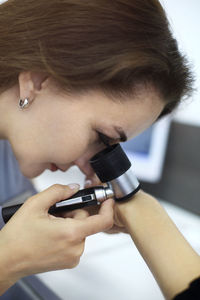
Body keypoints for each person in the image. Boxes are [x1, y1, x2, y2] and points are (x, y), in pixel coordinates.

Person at [0, 0, 198, 297]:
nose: (89, 166)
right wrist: (9, 261)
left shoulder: (11, 150)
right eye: (101, 137)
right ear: (38, 82)